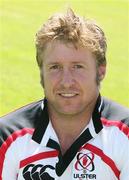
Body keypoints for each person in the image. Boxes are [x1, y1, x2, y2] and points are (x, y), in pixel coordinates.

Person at [0, 8, 129, 180]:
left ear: (100, 71)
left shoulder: (125, 134)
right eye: (55, 67)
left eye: (78, 67)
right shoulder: (8, 135)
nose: (66, 82)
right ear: (42, 71)